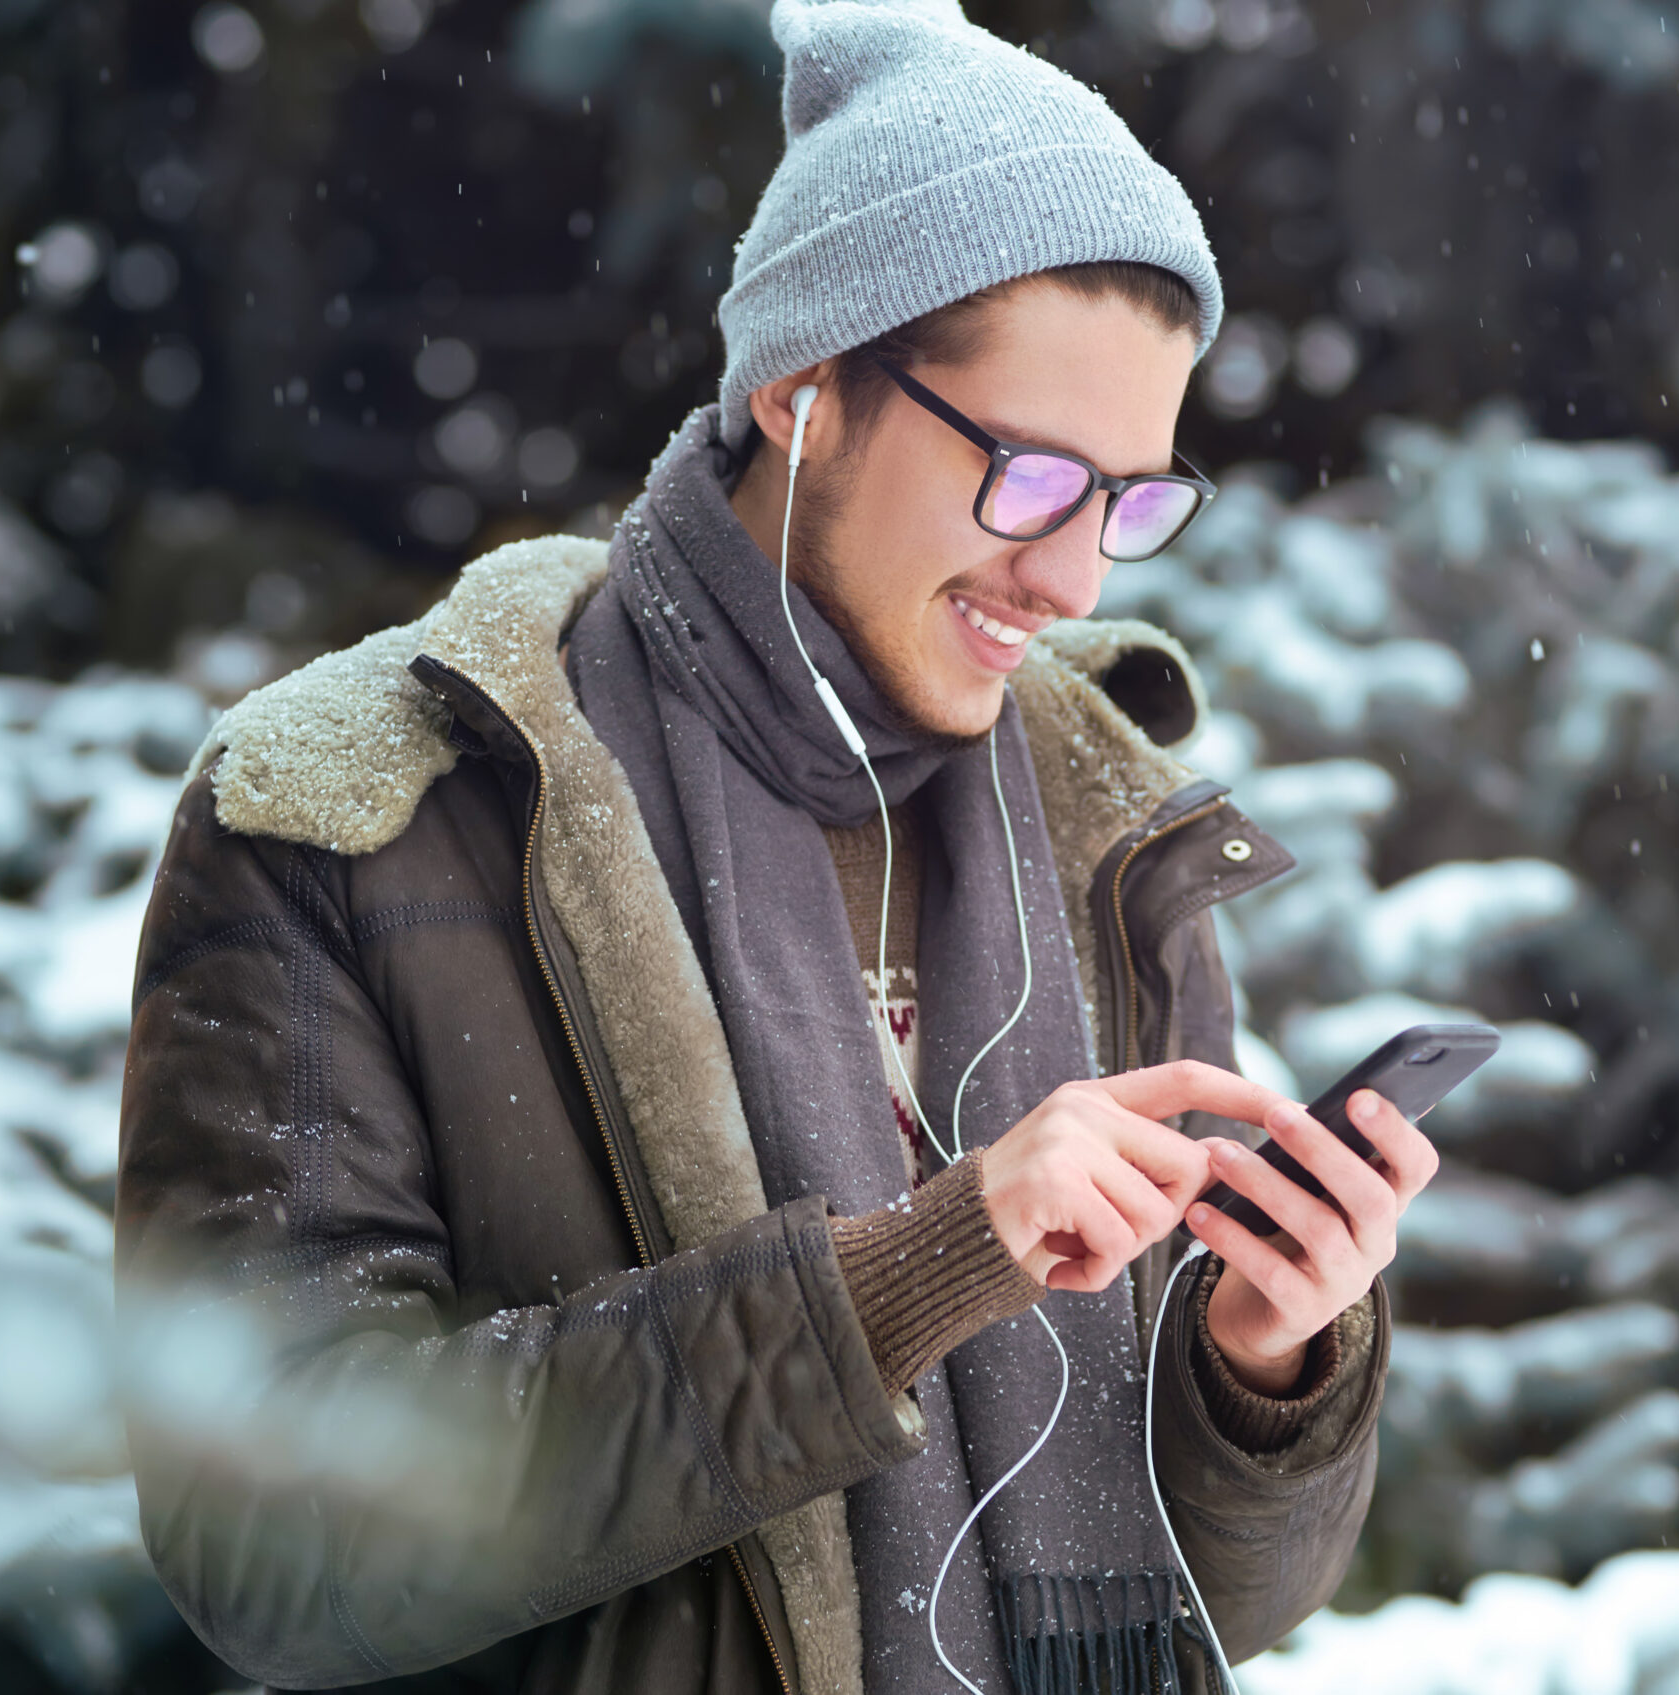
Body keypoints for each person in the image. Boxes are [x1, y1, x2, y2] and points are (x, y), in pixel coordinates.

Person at [114, 2, 1441, 1691]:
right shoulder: (356, 814)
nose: (1079, 580)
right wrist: (905, 1280)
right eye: (1031, 481)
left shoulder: (1107, 832)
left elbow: (1207, 1603)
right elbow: (271, 1539)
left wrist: (1266, 1371)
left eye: (1131, 503)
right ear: (807, 388)